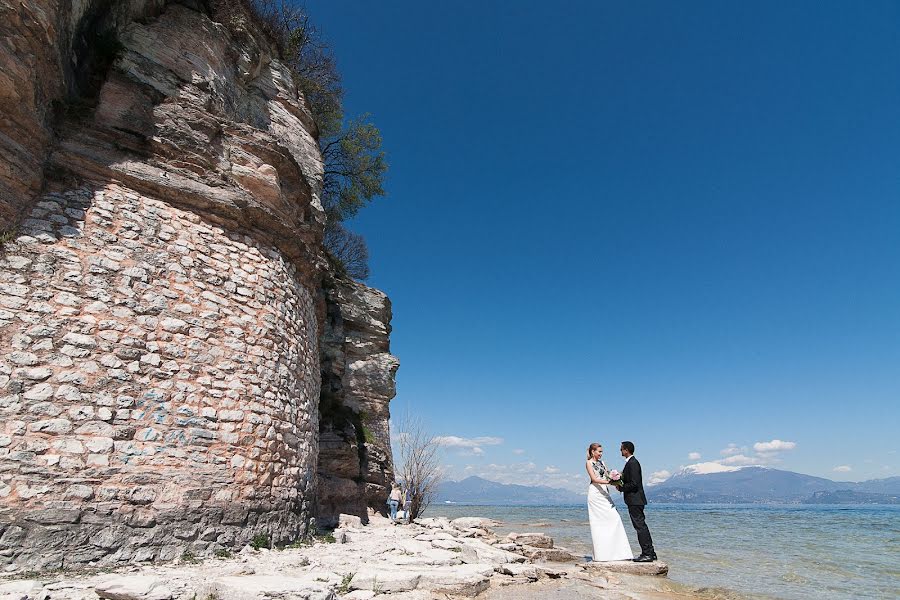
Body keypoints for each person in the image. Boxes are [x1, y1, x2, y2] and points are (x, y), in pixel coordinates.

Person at [585, 442, 633, 561]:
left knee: (615, 518)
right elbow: (594, 479)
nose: (601, 454)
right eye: (599, 451)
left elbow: (607, 475)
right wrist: (610, 482)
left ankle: (618, 553)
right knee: (599, 523)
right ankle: (602, 555)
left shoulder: (603, 463)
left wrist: (616, 478)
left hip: (605, 492)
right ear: (593, 452)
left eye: (602, 452)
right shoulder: (589, 463)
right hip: (595, 494)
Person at [619, 441, 657, 562]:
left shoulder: (633, 463)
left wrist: (621, 487)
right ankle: (651, 552)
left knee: (640, 526)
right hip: (635, 500)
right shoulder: (631, 463)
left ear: (626, 450)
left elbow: (634, 483)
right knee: (641, 526)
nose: (620, 451)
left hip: (635, 499)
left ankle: (647, 554)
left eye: (621, 449)